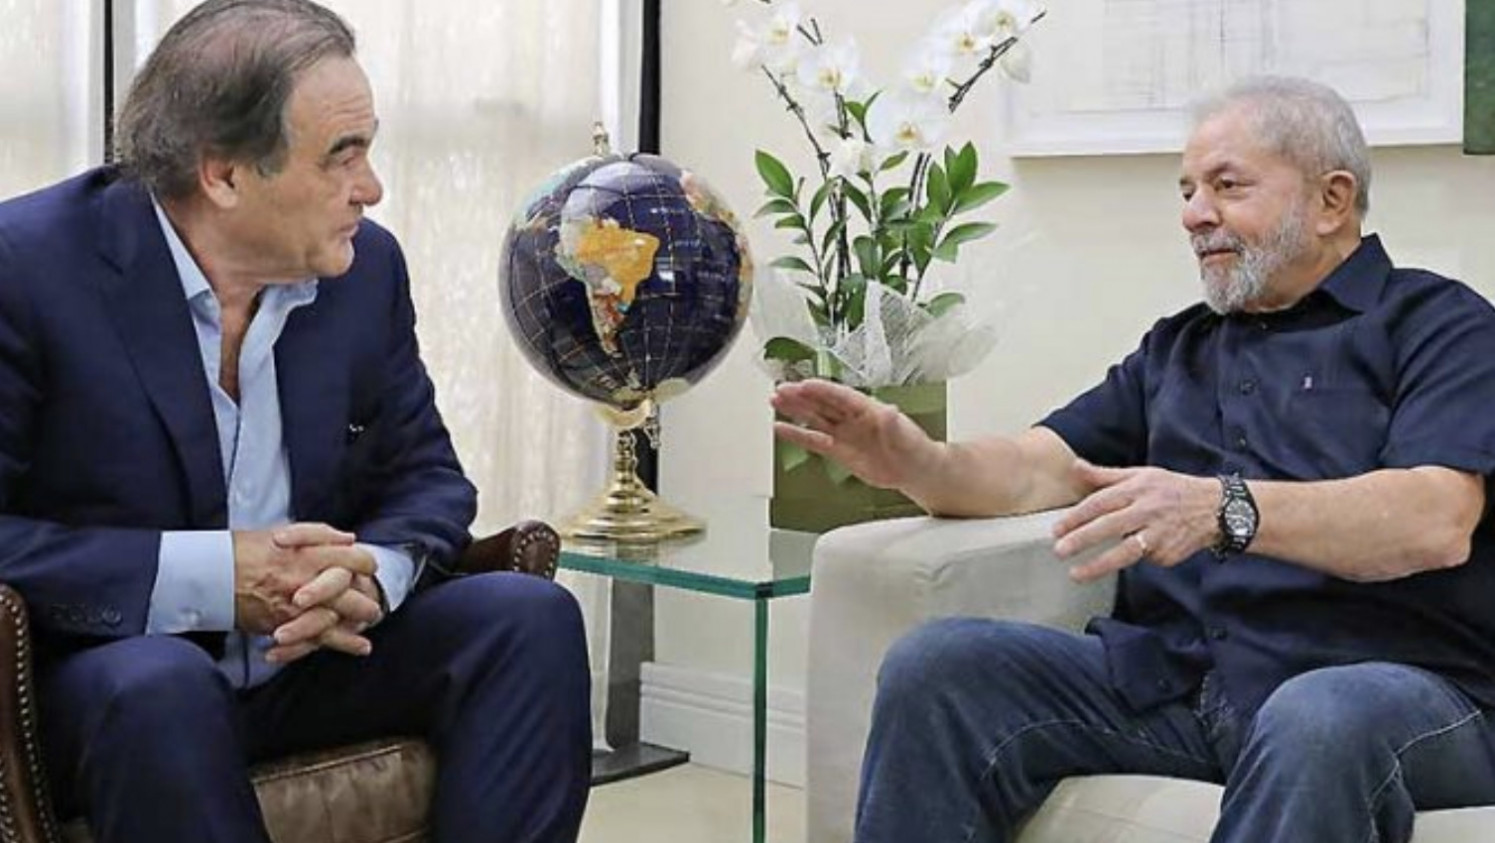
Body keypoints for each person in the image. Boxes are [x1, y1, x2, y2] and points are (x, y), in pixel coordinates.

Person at [773, 76, 1495, 843]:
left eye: (1226, 185)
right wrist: (918, 462)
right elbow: (1036, 466)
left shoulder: (1439, 325)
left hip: (1394, 692)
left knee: (1315, 716)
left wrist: (1224, 508)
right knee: (939, 664)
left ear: (1331, 200)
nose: (1193, 214)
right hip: (1179, 684)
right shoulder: (1179, 347)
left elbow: (1433, 518)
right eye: (1186, 191)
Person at [0, 1, 591, 841]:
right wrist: (213, 578)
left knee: (527, 618)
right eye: (341, 155)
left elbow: (427, 476)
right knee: (160, 684)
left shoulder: (364, 270)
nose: (371, 187)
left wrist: (367, 576)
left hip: (312, 659)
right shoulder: (26, 269)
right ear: (223, 174)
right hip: (110, 681)